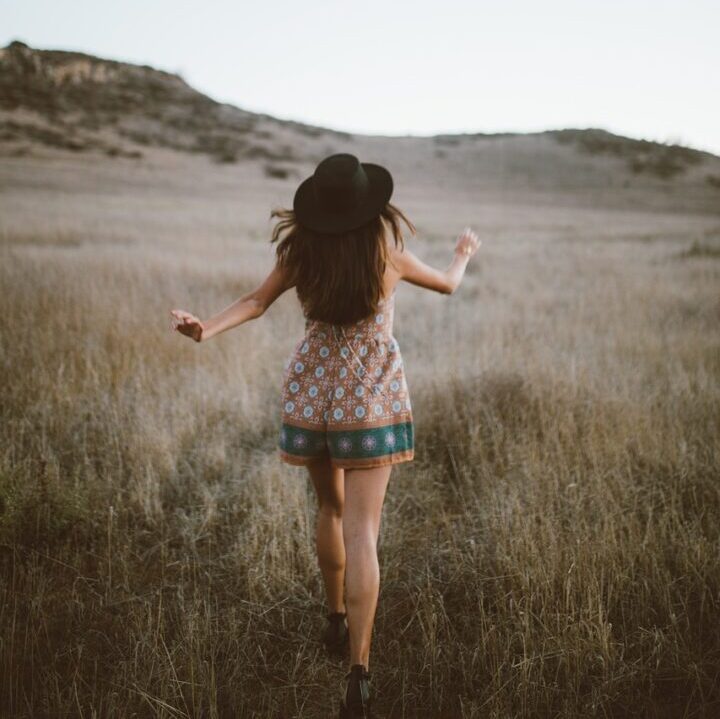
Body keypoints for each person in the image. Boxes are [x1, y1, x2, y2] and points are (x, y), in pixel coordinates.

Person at [171, 153, 480, 718]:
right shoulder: (387, 253)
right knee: (364, 531)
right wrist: (461, 256)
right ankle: (358, 672)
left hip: (312, 397)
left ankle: (334, 619)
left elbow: (256, 302)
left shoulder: (301, 251)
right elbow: (449, 286)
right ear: (369, 206)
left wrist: (204, 329)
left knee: (329, 511)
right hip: (370, 400)